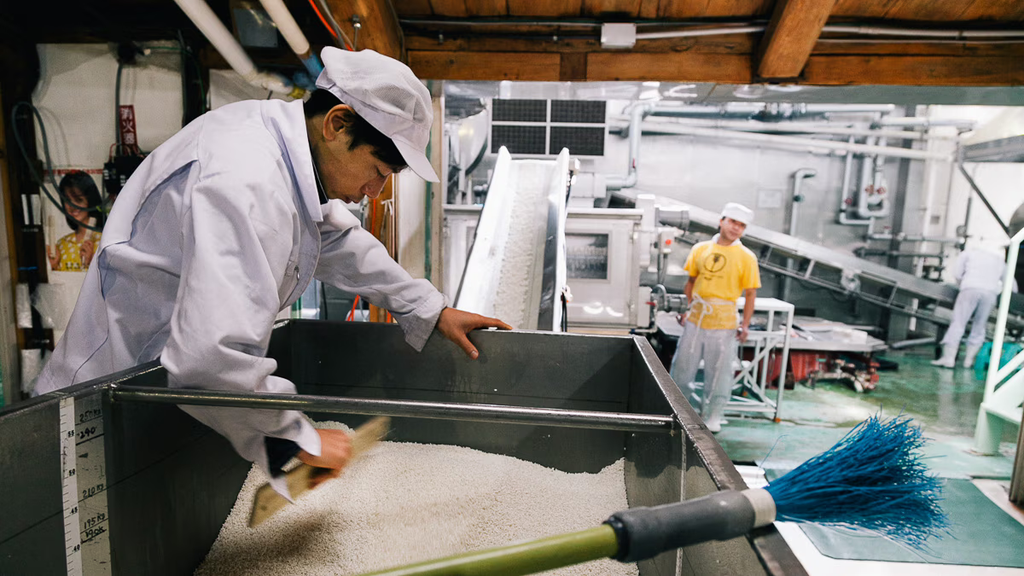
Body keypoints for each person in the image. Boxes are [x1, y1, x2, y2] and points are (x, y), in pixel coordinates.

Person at [34, 48, 511, 497]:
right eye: (380, 169)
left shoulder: (282, 153)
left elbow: (338, 241)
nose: (374, 190)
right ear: (338, 124)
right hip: (104, 397)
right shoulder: (247, 179)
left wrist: (431, 309)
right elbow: (211, 358)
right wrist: (296, 437)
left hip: (163, 389)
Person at [670, 202, 761, 432]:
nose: (736, 228)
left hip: (725, 321)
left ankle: (713, 416)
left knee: (719, 372)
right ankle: (681, 411)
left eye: (741, 225)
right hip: (696, 318)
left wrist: (746, 324)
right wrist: (685, 309)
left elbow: (751, 293)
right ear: (722, 221)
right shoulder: (700, 249)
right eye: (732, 222)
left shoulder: (746, 257)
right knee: (682, 368)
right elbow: (690, 283)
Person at [932, 238, 1013, 369]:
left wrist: (962, 285)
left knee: (958, 323)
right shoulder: (999, 260)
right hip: (990, 293)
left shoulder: (969, 253)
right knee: (979, 326)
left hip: (970, 288)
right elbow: (1010, 283)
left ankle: (949, 359)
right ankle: (968, 361)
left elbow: (957, 273)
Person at [47, 171, 104, 271]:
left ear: (90, 200)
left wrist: (92, 263)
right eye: (68, 200)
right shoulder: (62, 245)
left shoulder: (105, 242)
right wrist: (53, 266)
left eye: (78, 200)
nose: (72, 206)